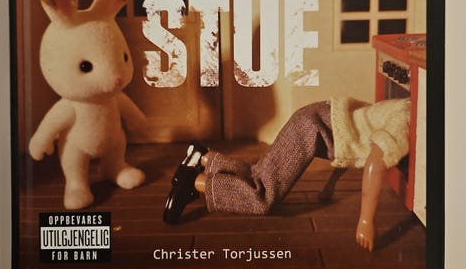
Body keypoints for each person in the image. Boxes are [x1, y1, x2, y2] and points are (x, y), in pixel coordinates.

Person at [163, 98, 410, 252]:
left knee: (257, 173)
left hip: (316, 117)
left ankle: (203, 157)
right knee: (262, 197)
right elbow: (373, 163)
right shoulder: (407, 120)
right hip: (314, 127)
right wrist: (366, 221)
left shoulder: (403, 106)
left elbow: (355, 142)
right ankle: (194, 183)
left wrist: (330, 186)